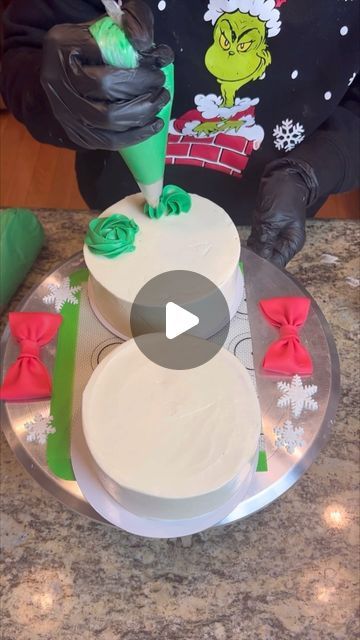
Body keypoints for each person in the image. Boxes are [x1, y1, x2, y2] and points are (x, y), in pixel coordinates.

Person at [2, 0, 359, 267]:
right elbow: (23, 47)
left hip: (277, 217)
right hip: (119, 199)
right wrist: (53, 92)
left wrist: (317, 167)